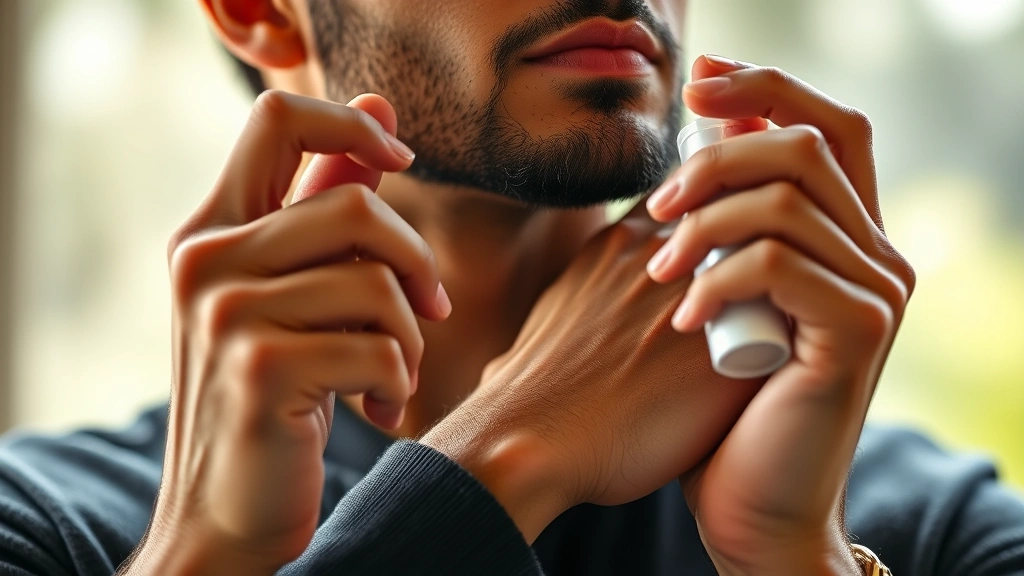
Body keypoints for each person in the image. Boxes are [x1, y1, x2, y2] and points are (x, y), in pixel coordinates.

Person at [1, 0, 1023, 574]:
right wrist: (202, 558)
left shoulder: (941, 535)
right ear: (259, 11)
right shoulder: (35, 527)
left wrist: (790, 557)